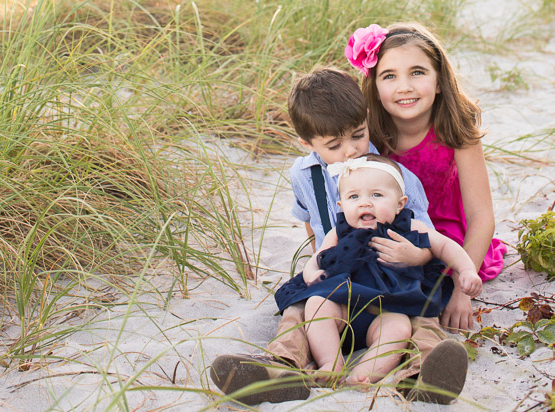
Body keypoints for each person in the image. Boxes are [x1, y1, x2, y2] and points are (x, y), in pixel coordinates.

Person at [210, 68, 470, 405]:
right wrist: (318, 264)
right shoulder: (304, 175)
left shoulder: (394, 176)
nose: (349, 151)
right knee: (299, 309)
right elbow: (312, 223)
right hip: (338, 278)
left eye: (357, 136)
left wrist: (417, 258)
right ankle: (281, 368)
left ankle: (424, 374)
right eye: (334, 145)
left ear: (365, 119)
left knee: (421, 313)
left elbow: (427, 239)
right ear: (307, 143)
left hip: (392, 279)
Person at [348, 21, 507, 334]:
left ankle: (424, 341)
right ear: (375, 87)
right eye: (389, 76)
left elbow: (482, 216)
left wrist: (463, 292)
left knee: (430, 288)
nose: (404, 86)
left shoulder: (455, 130)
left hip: (447, 235)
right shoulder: (369, 133)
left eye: (417, 72)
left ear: (438, 81)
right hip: (389, 227)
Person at [274, 155, 482, 387]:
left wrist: (466, 270)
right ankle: (330, 363)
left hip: (389, 307)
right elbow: (317, 256)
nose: (365, 203)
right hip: (344, 305)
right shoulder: (339, 231)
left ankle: (365, 373)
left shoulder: (409, 226)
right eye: (354, 197)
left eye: (376, 195)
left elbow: (444, 246)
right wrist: (311, 273)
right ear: (342, 206)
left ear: (400, 203)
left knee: (400, 327)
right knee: (315, 304)